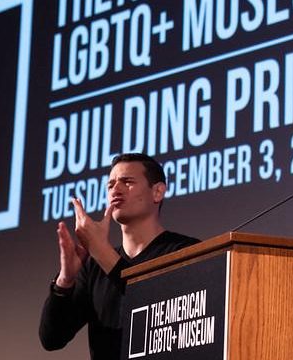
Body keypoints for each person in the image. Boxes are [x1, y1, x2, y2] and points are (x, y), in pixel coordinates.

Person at [39, 153, 199, 360]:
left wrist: (100, 251)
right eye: (110, 184)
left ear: (158, 192)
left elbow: (156, 309)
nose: (116, 189)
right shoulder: (94, 267)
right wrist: (65, 281)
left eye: (127, 182)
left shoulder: (186, 252)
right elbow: (52, 339)